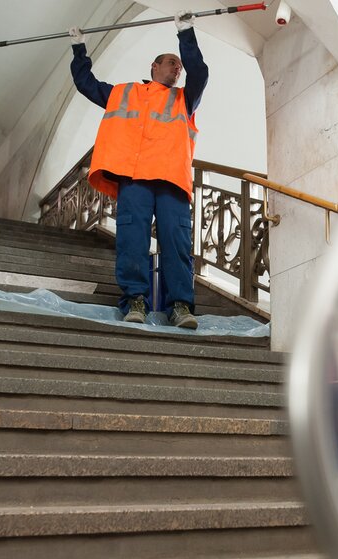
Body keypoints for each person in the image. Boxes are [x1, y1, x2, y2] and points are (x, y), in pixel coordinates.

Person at [69, 11, 208, 330]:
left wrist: (185, 34)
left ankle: (181, 306)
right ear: (154, 67)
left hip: (171, 180)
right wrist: (79, 48)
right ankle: (135, 300)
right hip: (133, 179)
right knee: (132, 240)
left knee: (176, 242)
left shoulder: (185, 98)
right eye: (171, 62)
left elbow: (199, 72)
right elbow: (85, 84)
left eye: (179, 64)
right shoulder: (123, 92)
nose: (178, 67)